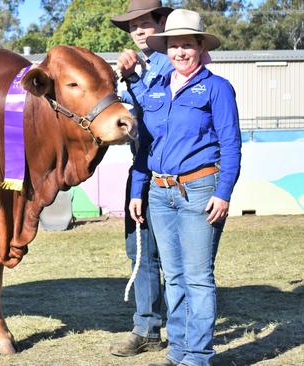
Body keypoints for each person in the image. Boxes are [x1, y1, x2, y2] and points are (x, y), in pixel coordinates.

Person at [129, 9, 242, 366]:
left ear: (199, 47)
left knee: (197, 279)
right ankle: (177, 350)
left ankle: (197, 356)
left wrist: (223, 192)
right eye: (174, 45)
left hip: (199, 192)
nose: (180, 52)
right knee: (173, 277)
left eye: (187, 45)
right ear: (166, 49)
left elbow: (232, 145)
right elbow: (145, 143)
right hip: (159, 195)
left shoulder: (217, 89)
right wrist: (137, 189)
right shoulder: (156, 90)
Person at [108, 0, 173, 357]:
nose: (139, 31)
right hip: (143, 169)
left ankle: (179, 331)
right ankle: (147, 327)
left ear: (162, 22)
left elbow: (155, 112)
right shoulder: (138, 65)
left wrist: (132, 77)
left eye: (146, 22)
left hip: (172, 173)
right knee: (140, 250)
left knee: (171, 257)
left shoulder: (170, 63)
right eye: (133, 26)